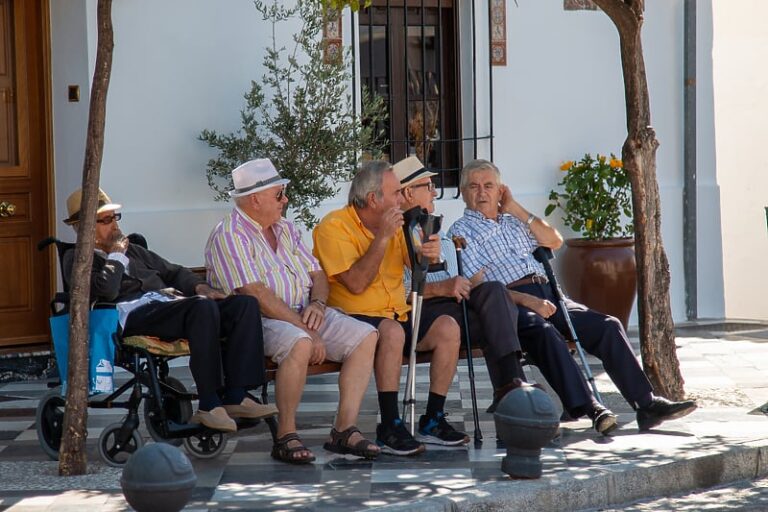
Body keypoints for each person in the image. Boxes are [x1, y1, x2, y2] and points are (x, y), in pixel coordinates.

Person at [447, 159, 697, 432]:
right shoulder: (461, 231)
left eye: (489, 186)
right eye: (474, 186)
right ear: (463, 192)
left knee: (608, 326)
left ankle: (647, 405)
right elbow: (478, 287)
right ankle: (591, 407)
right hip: (511, 303)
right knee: (546, 333)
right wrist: (530, 301)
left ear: (501, 190)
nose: (482, 192)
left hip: (552, 295)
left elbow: (554, 240)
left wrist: (516, 209)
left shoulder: (514, 222)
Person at [205, 159, 380, 465]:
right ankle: (286, 435)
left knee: (365, 336)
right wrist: (306, 329)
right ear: (254, 199)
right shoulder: (230, 234)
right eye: (279, 194)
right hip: (259, 322)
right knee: (300, 343)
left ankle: (343, 429)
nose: (285, 200)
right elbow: (255, 294)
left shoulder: (286, 228)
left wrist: (319, 304)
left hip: (303, 313)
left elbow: (318, 276)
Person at [61, 187, 276, 434]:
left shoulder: (134, 250)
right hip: (131, 315)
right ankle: (209, 403)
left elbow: (173, 271)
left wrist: (200, 286)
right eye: (106, 220)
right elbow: (106, 290)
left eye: (115, 217)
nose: (115, 225)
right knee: (201, 309)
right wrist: (116, 255)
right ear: (85, 227)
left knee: (243, 305)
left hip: (166, 306)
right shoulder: (76, 258)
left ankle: (236, 395)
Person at [313, 160, 469, 456]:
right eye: (396, 193)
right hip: (355, 318)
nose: (401, 199)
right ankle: (390, 424)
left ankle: (433, 418)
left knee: (448, 327)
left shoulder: (398, 225)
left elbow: (419, 265)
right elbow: (356, 283)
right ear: (374, 199)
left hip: (397, 312)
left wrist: (429, 253)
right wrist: (383, 237)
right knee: (392, 331)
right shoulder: (333, 227)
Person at [393, 156, 531, 411]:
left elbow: (459, 276)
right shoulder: (395, 231)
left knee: (494, 291)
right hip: (422, 313)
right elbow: (394, 290)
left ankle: (510, 385)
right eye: (428, 186)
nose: (435, 191)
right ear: (409, 192)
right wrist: (441, 287)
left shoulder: (433, 226)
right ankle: (511, 388)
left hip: (454, 305)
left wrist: (463, 282)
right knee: (499, 314)